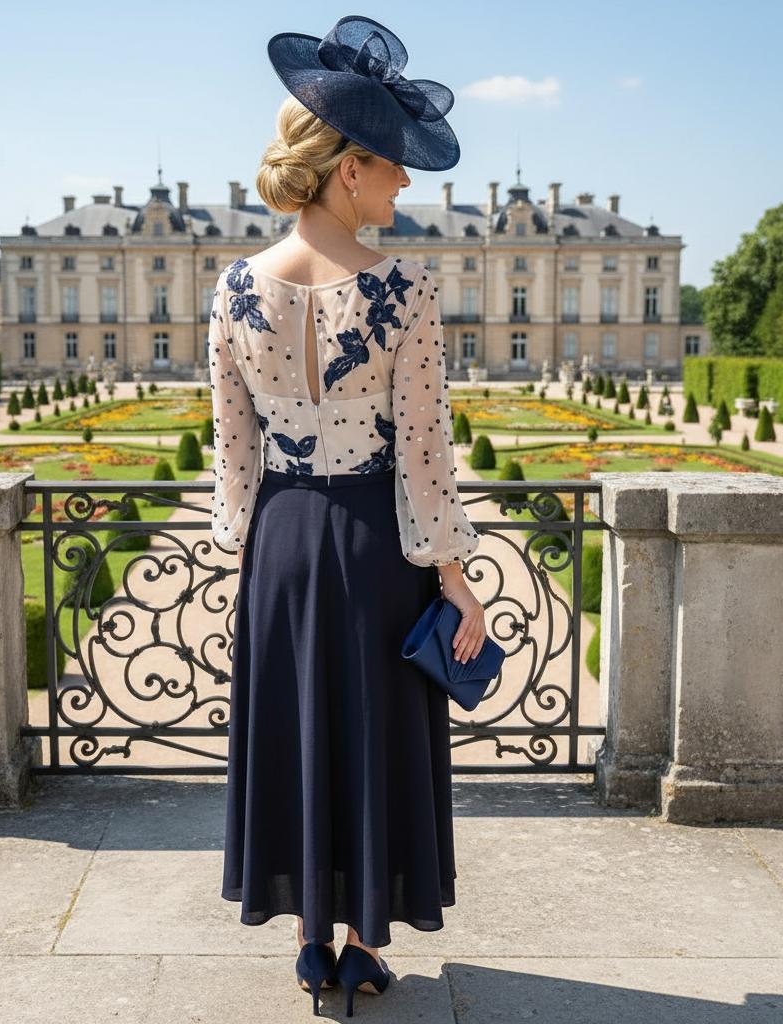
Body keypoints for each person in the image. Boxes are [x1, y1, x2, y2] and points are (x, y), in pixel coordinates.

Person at [207, 15, 486, 1017]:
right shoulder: (405, 288)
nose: (405, 182)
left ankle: (308, 944)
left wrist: (245, 550)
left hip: (281, 540)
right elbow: (423, 452)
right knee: (373, 736)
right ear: (348, 169)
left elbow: (232, 448)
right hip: (376, 547)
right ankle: (364, 944)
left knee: (296, 727)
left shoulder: (234, 287)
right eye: (392, 164)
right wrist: (453, 578)